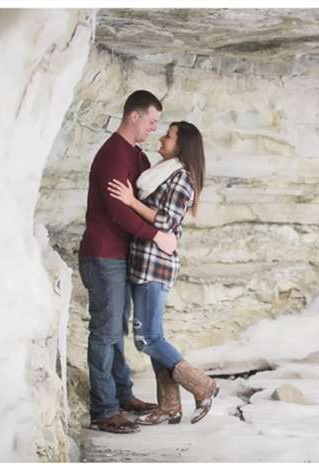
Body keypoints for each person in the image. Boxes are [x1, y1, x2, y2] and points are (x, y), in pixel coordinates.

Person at [78, 90, 178, 434]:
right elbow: (120, 213)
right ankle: (103, 409)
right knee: (105, 332)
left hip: (120, 257)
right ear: (133, 116)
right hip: (103, 254)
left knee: (116, 329)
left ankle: (122, 395)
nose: (154, 128)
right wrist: (157, 236)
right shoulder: (113, 156)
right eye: (151, 121)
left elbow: (145, 202)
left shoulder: (135, 156)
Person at [107, 121, 218, 426]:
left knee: (147, 339)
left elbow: (166, 221)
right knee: (154, 336)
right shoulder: (164, 173)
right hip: (144, 262)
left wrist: (130, 202)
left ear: (181, 145)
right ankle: (169, 406)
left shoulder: (181, 178)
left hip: (155, 265)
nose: (162, 137)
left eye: (168, 135)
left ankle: (202, 385)